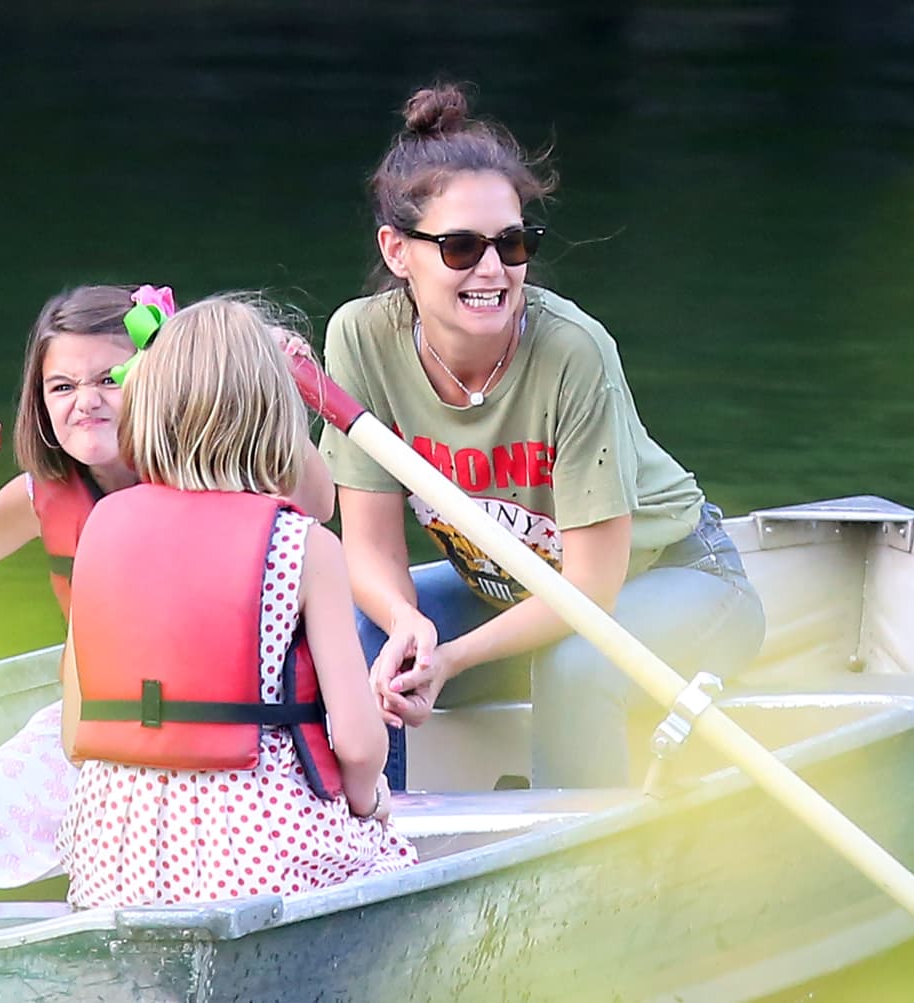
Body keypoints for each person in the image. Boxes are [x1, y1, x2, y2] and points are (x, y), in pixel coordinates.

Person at [318, 85, 767, 790]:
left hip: (673, 575)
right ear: (398, 251)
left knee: (575, 661)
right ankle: (379, 849)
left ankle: (583, 881)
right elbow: (368, 548)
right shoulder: (359, 338)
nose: (493, 270)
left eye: (513, 242)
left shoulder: (573, 350)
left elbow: (591, 587)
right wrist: (408, 625)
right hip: (505, 590)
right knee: (357, 637)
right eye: (461, 247)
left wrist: (454, 659)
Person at [0, 285, 335, 888]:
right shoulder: (40, 495)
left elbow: (317, 503)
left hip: (231, 726)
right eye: (62, 387)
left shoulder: (213, 475)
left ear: (161, 382)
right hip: (108, 724)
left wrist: (255, 379)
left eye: (110, 378)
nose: (86, 402)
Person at [53, 295, 415, 907]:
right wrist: (369, 804)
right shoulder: (303, 545)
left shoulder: (100, 526)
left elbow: (73, 735)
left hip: (113, 858)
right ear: (275, 417)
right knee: (390, 859)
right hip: (260, 857)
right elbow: (358, 744)